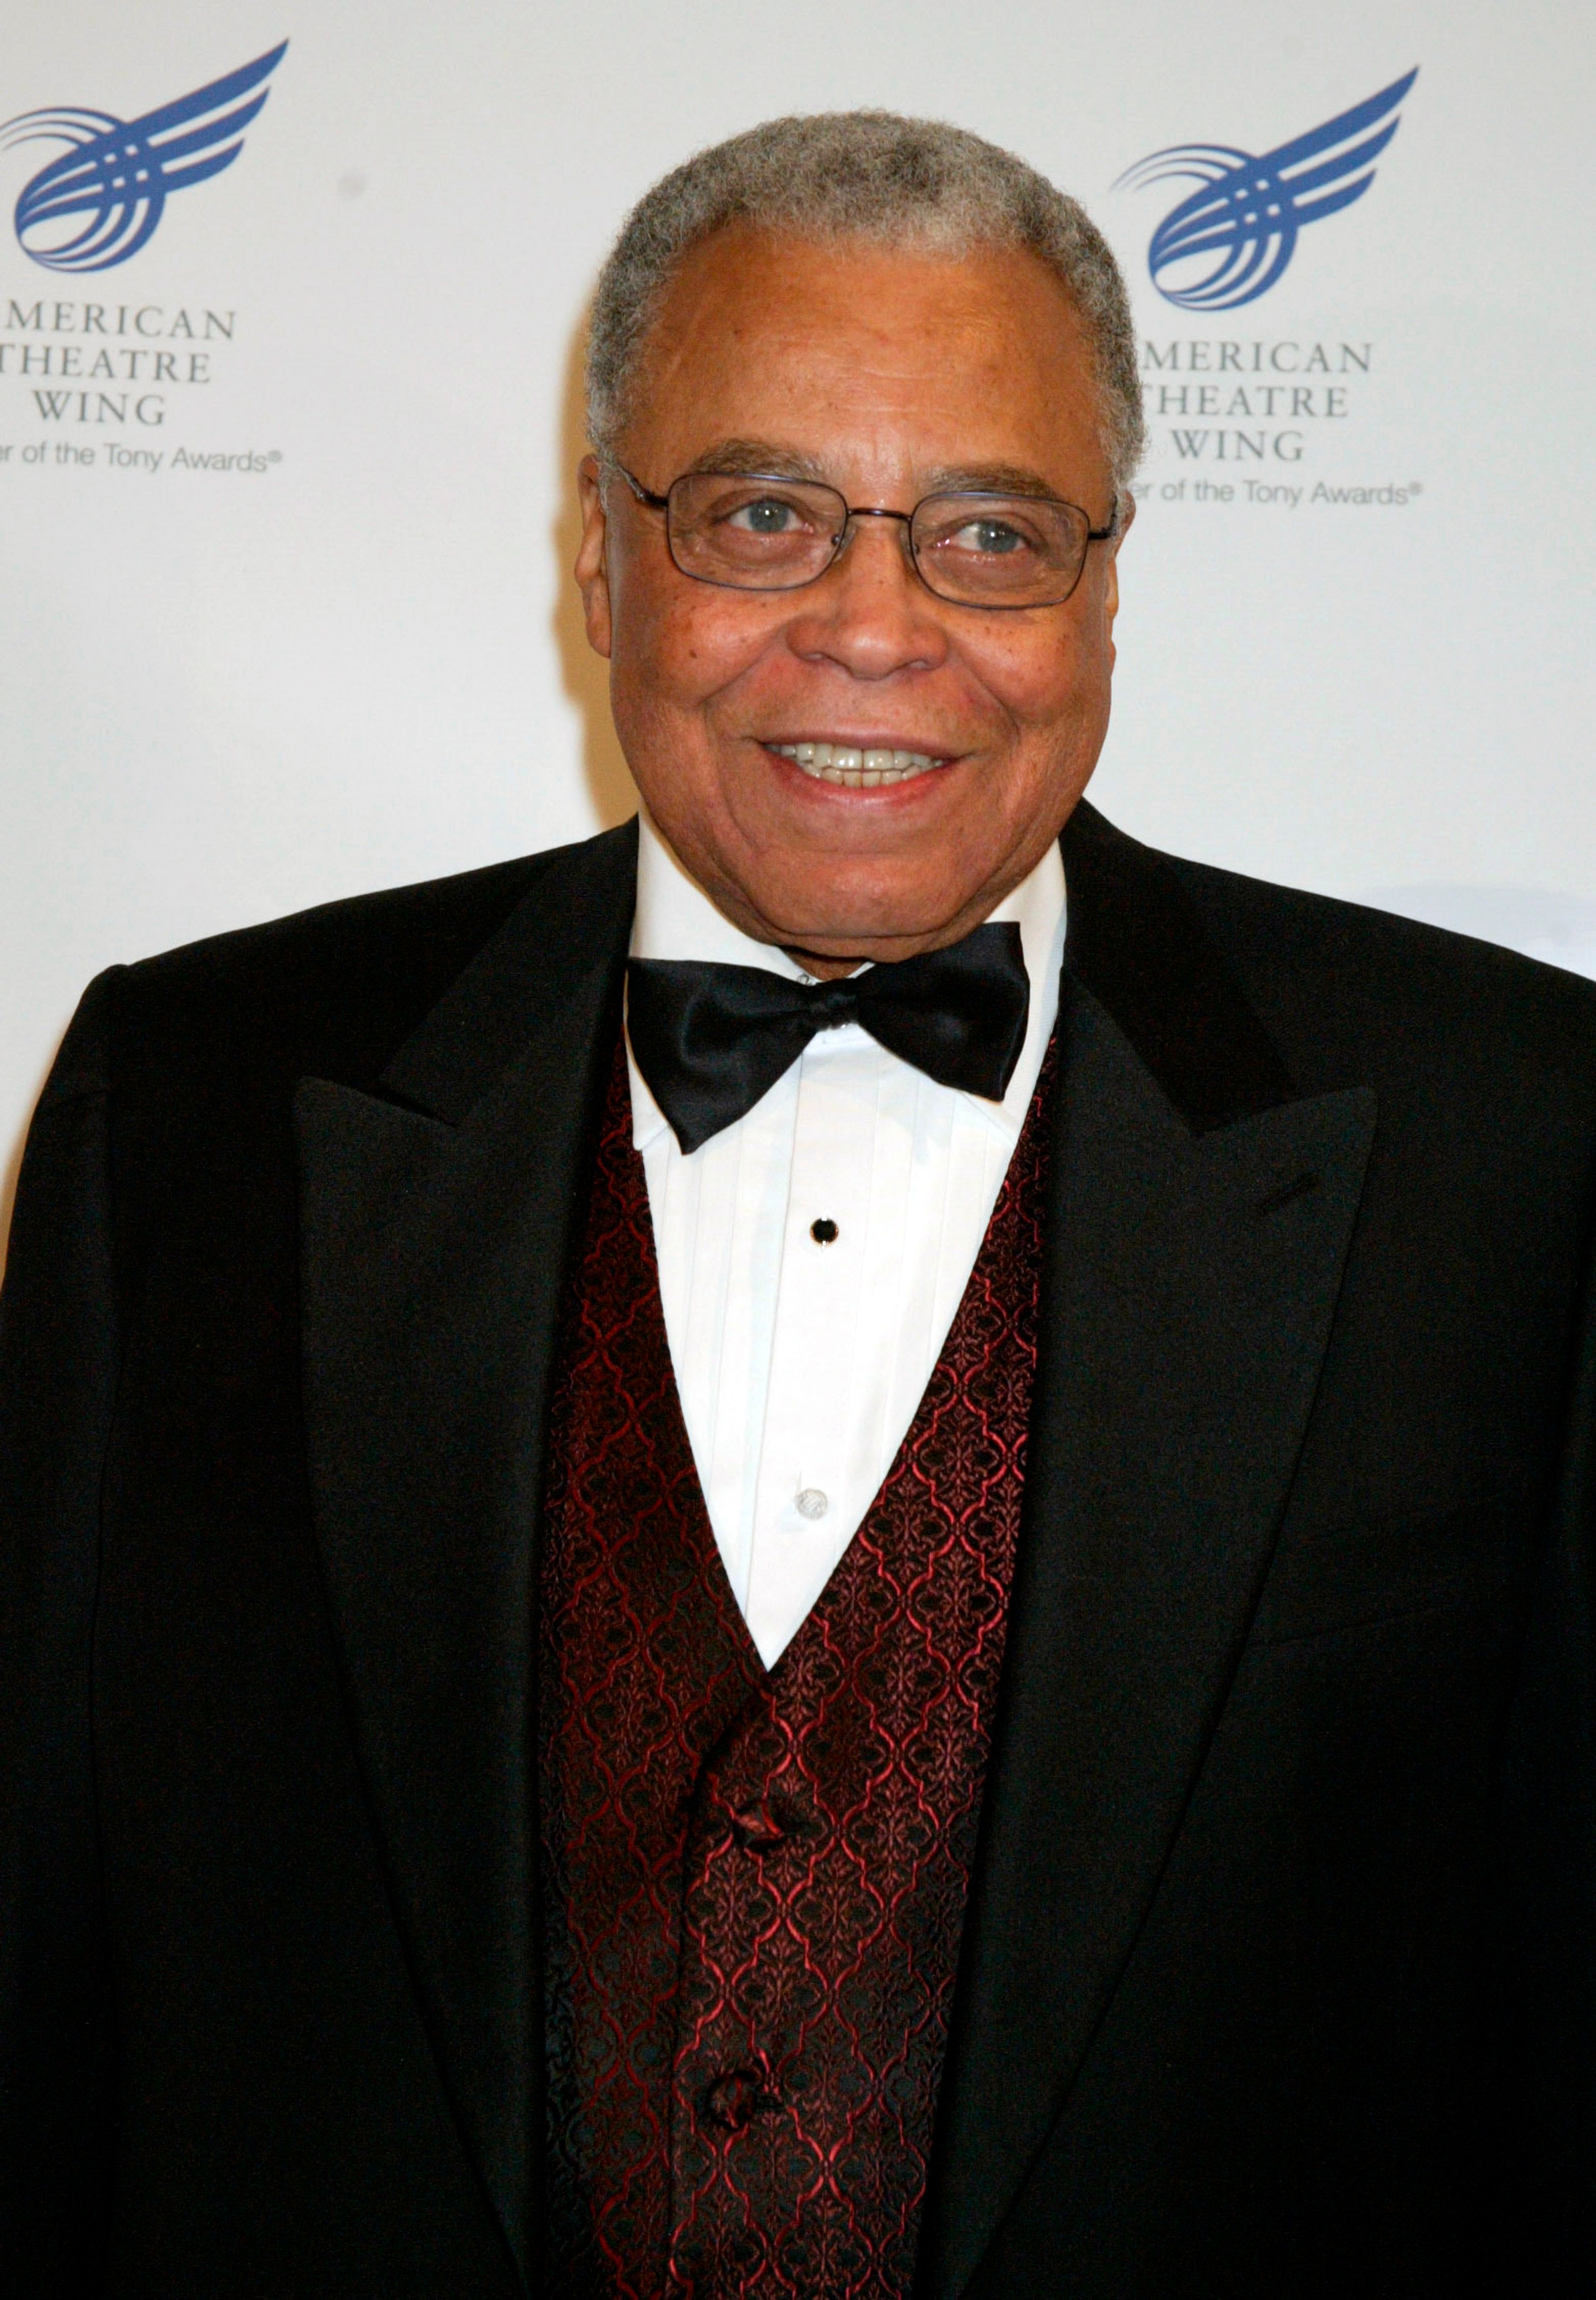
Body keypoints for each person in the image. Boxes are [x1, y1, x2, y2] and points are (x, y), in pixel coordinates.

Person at [1, 110, 1592, 2300]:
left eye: (988, 530)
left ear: (1108, 580)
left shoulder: (1515, 1141)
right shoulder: (191, 1106)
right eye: (764, 514)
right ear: (601, 559)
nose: (875, 630)